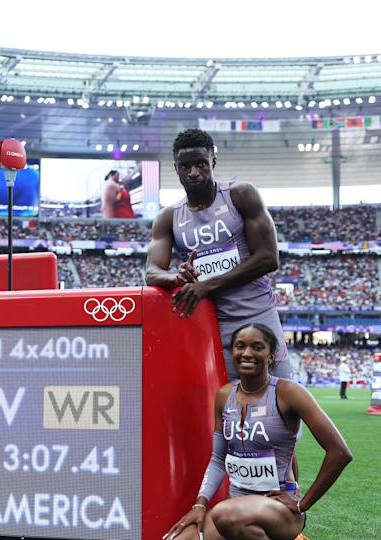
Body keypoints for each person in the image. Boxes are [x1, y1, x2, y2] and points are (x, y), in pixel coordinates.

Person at [163, 323, 352, 540]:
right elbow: (218, 460)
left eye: (257, 347)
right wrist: (200, 504)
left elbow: (340, 453)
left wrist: (302, 504)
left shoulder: (289, 393)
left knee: (225, 514)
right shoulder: (224, 396)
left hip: (279, 510)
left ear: (271, 356)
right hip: (235, 508)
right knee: (175, 538)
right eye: (240, 346)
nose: (247, 353)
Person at [145, 128, 289, 381]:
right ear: (176, 169)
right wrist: (177, 278)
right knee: (225, 400)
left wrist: (207, 285)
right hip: (211, 323)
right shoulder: (169, 217)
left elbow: (269, 258)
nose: (193, 172)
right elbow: (152, 272)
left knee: (277, 394)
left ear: (213, 161)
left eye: (200, 163)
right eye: (185, 166)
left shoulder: (240, 195)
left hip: (257, 314)